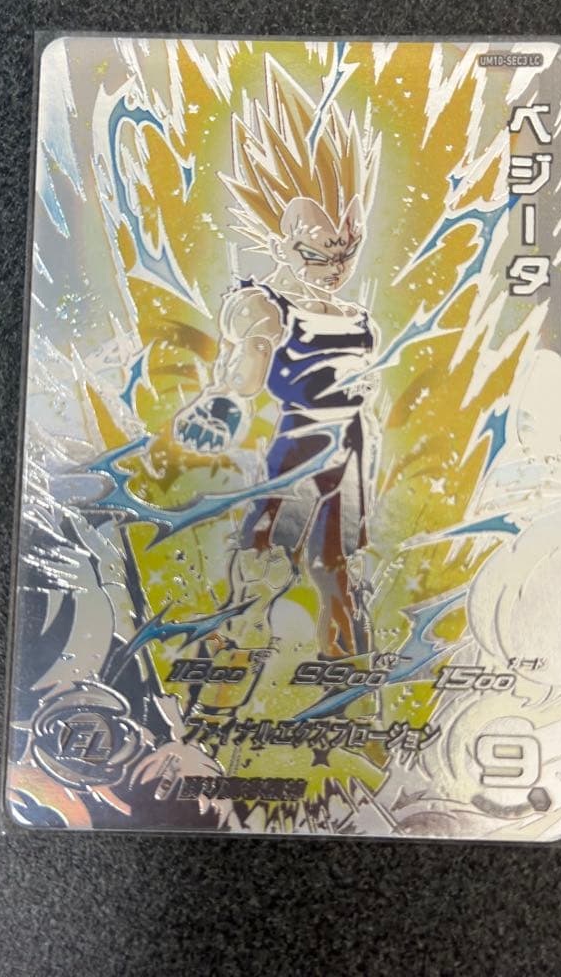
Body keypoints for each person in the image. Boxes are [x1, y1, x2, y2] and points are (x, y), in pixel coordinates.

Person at [174, 58, 382, 669]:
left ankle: (347, 672)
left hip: (351, 449)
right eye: (318, 254)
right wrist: (222, 400)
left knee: (338, 566)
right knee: (266, 560)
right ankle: (227, 666)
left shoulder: (352, 312)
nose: (336, 267)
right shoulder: (264, 304)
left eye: (347, 250)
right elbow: (249, 363)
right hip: (297, 446)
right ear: (277, 244)